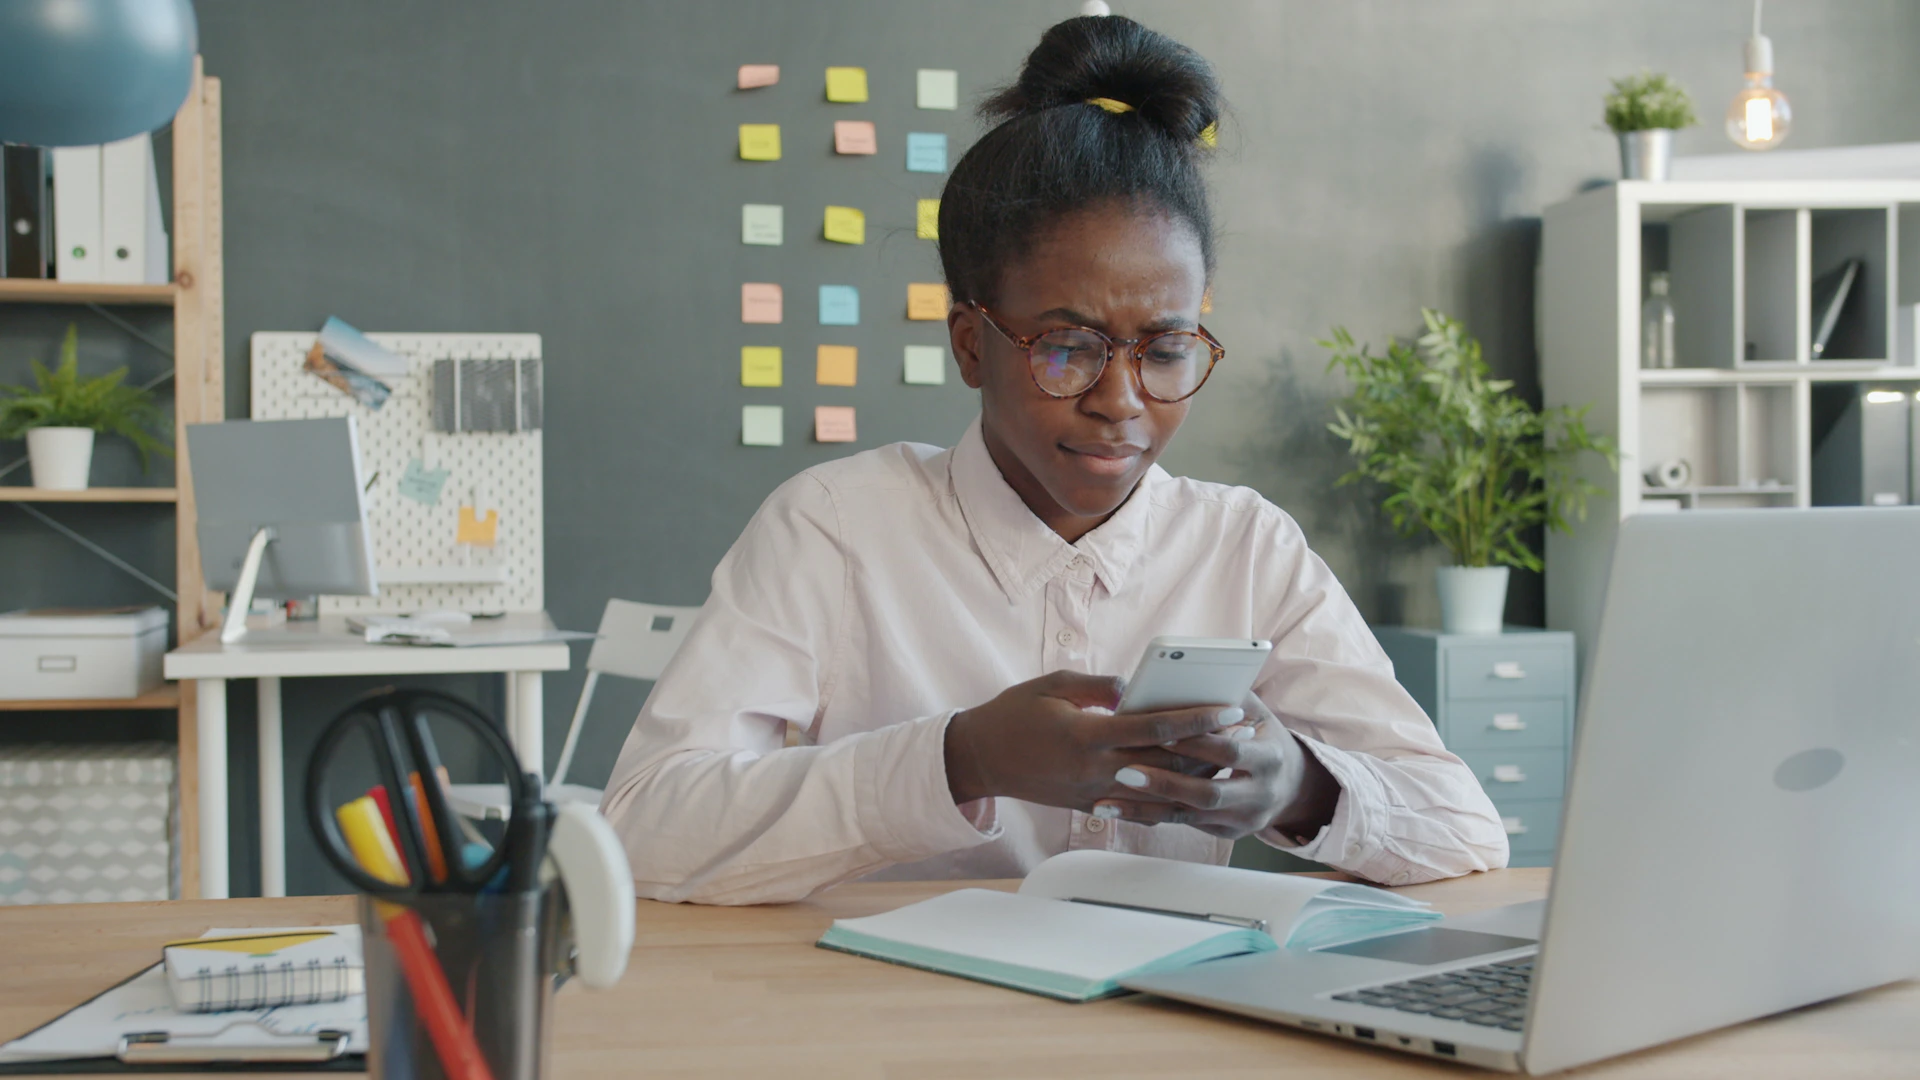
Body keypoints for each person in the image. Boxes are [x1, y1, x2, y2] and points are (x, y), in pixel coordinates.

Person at [600, 15, 1506, 904]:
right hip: (895, 1037)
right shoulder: (836, 528)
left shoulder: (1245, 548)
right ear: (969, 343)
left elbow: (1464, 828)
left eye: (1165, 348)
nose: (1120, 401)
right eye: (1067, 346)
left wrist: (1303, 789)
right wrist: (961, 759)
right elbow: (645, 829)